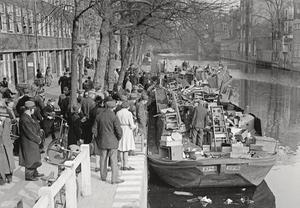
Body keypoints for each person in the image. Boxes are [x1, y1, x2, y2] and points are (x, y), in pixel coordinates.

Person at [92, 99, 123, 184]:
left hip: (102, 141)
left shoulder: (99, 115)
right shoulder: (114, 116)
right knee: (113, 160)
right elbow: (119, 131)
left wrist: (98, 139)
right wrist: (118, 138)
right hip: (113, 141)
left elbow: (94, 130)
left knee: (103, 158)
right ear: (113, 107)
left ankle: (103, 176)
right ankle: (114, 179)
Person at [19, 101, 44, 181]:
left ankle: (34, 172)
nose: (34, 110)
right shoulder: (24, 119)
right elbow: (29, 133)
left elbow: (35, 125)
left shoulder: (29, 116)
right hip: (28, 142)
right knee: (30, 158)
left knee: (35, 157)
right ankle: (29, 175)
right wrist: (38, 139)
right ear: (30, 109)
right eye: (33, 109)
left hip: (33, 141)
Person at [116, 101, 136, 170]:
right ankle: (126, 165)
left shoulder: (118, 113)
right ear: (128, 106)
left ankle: (121, 164)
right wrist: (134, 127)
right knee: (126, 148)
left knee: (121, 147)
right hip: (127, 129)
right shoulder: (129, 113)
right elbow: (132, 124)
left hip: (120, 129)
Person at [0, 114, 15, 184]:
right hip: (5, 146)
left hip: (5, 146)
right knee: (5, 162)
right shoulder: (6, 122)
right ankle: (5, 177)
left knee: (6, 163)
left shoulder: (6, 122)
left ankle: (6, 177)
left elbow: (4, 135)